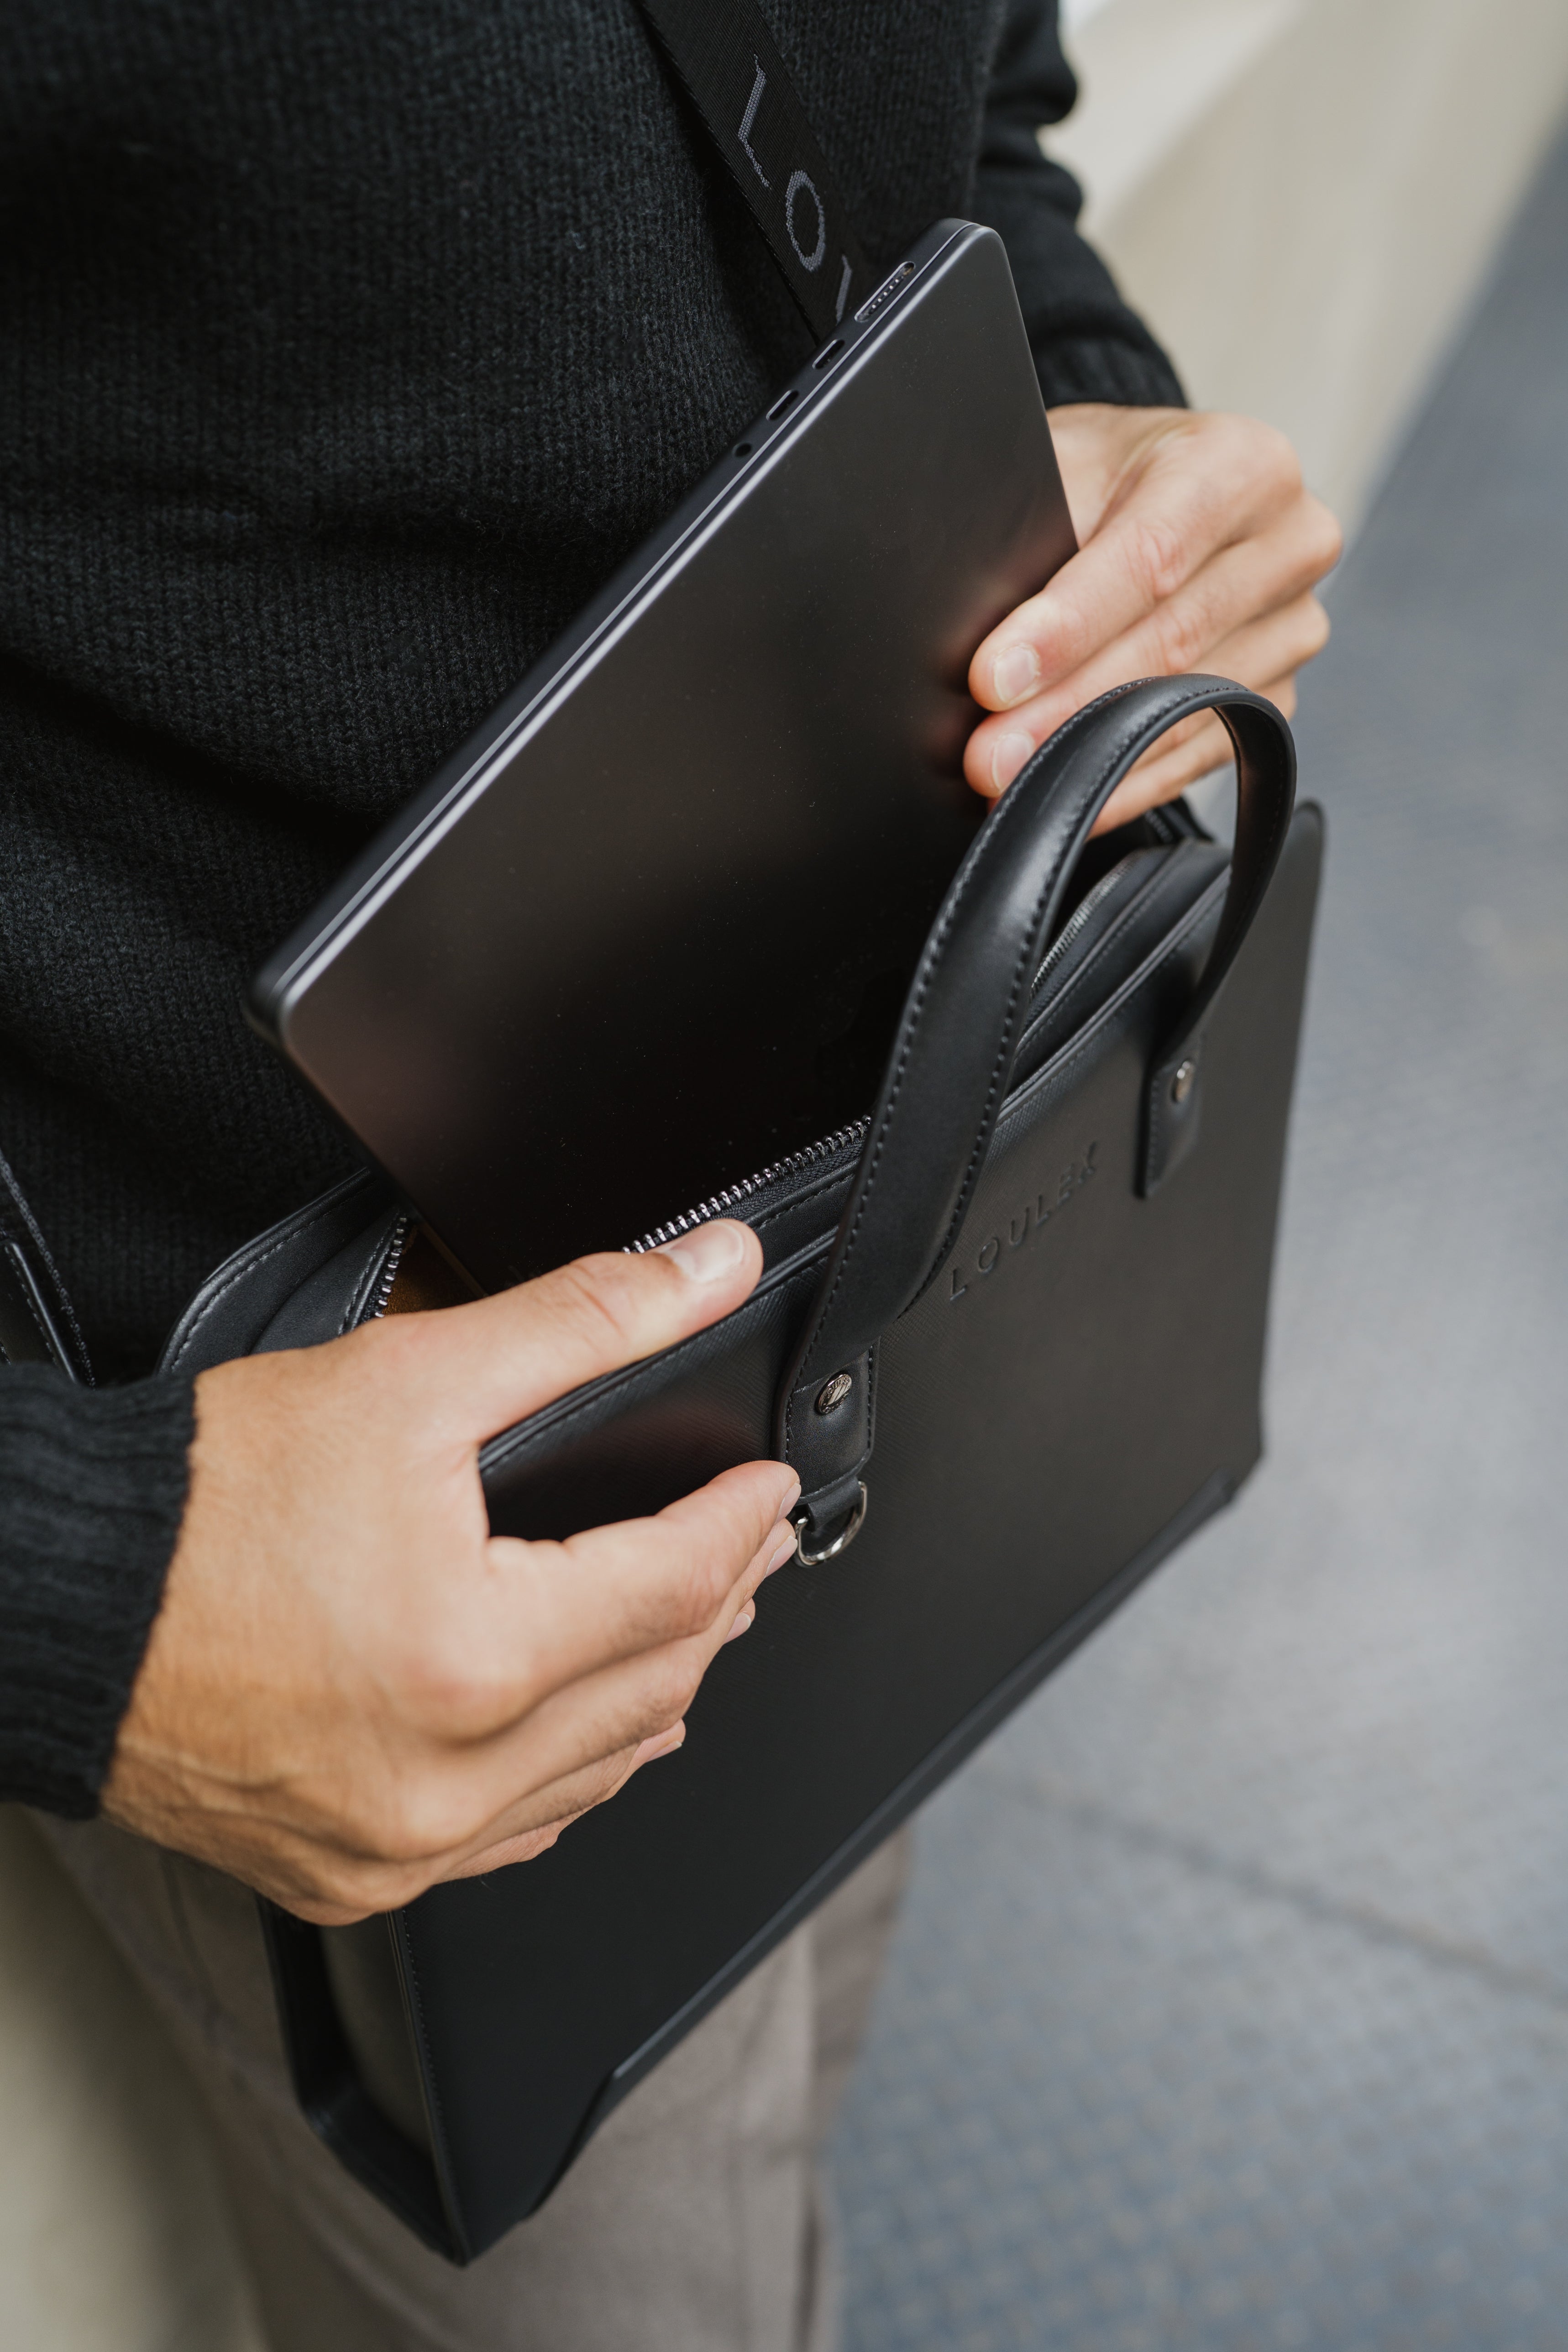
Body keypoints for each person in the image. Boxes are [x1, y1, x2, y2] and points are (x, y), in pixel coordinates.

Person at [0, 1, 1340, 2344]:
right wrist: (80, 1584)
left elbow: (971, 103)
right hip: (383, 1476)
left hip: (893, 1127)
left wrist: (1096, 428)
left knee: (825, 1928)